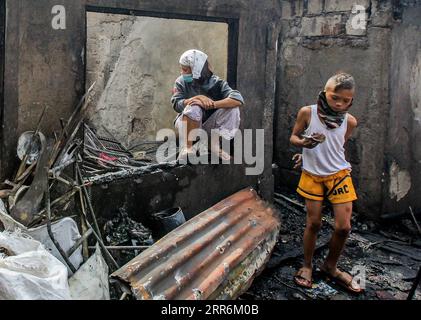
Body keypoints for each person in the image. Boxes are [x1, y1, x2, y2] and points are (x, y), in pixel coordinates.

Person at [289, 72, 363, 294]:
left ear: (351, 100)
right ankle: (307, 266)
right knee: (314, 223)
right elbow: (293, 137)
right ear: (324, 94)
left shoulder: (350, 121)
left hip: (338, 174)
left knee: (343, 227)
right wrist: (304, 146)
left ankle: (330, 266)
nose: (340, 104)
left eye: (346, 100)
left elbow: (337, 145)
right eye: (334, 98)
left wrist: (316, 152)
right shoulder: (307, 113)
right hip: (312, 175)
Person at [171, 49, 244, 161]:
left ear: (196, 70)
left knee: (233, 108)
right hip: (187, 124)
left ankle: (213, 145)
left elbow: (237, 99)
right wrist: (197, 98)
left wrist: (212, 104)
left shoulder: (217, 83)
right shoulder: (181, 82)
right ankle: (187, 147)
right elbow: (176, 103)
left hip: (208, 127)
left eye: (185, 70)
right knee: (194, 106)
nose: (182, 72)